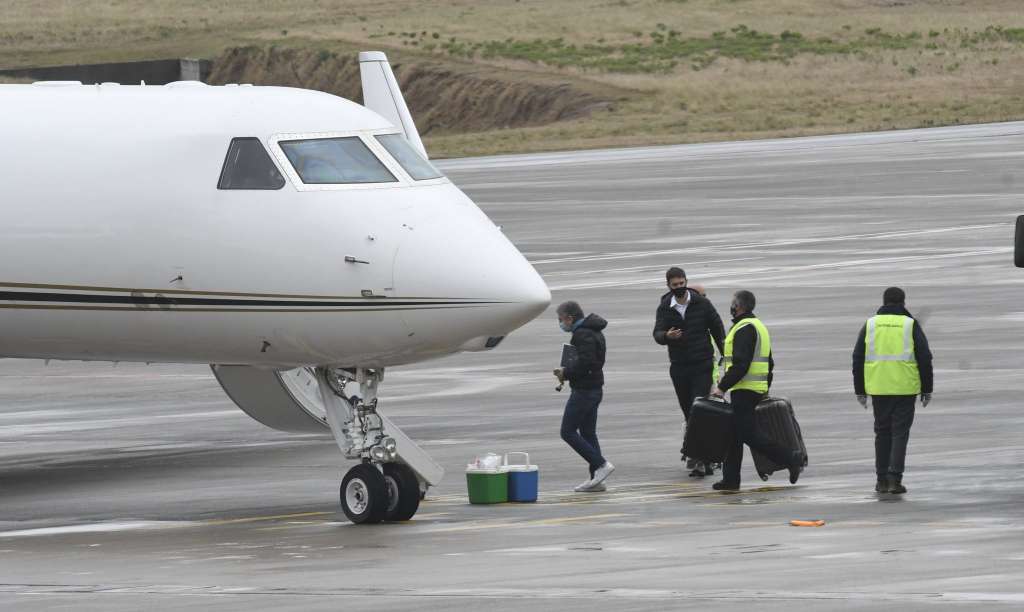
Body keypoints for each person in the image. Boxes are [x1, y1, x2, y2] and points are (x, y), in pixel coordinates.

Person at [710, 290, 803, 491]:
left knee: (748, 434)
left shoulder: (744, 328)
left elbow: (741, 364)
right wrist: (765, 386)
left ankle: (791, 458)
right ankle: (731, 479)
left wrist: (721, 387)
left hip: (745, 389)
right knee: (733, 435)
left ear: (739, 306)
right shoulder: (758, 326)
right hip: (753, 388)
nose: (731, 307)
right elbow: (769, 362)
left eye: (733, 304)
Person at [852, 287, 933, 495]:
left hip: (878, 388)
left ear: (884, 301)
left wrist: (860, 390)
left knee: (882, 433)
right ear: (903, 302)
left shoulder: (870, 324)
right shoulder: (910, 324)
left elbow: (857, 357)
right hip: (905, 389)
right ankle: (894, 480)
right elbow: (925, 357)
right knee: (899, 434)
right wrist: (927, 388)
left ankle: (880, 480)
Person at [653, 268, 725, 477]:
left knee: (698, 409)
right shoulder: (665, 307)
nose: (679, 287)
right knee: (688, 412)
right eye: (675, 285)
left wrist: (725, 355)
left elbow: (718, 329)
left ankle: (700, 459)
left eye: (682, 283)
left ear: (686, 281)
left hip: (702, 364)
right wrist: (667, 336)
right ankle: (704, 458)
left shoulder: (701, 303)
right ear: (669, 286)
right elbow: (656, 333)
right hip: (679, 367)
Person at [553, 301, 614, 492]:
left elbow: (587, 363)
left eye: (561, 319)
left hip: (585, 391)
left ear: (570, 318)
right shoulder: (592, 331)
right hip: (594, 388)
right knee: (588, 433)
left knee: (567, 431)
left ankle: (601, 464)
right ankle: (597, 478)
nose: (561, 323)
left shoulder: (582, 334)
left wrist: (566, 373)